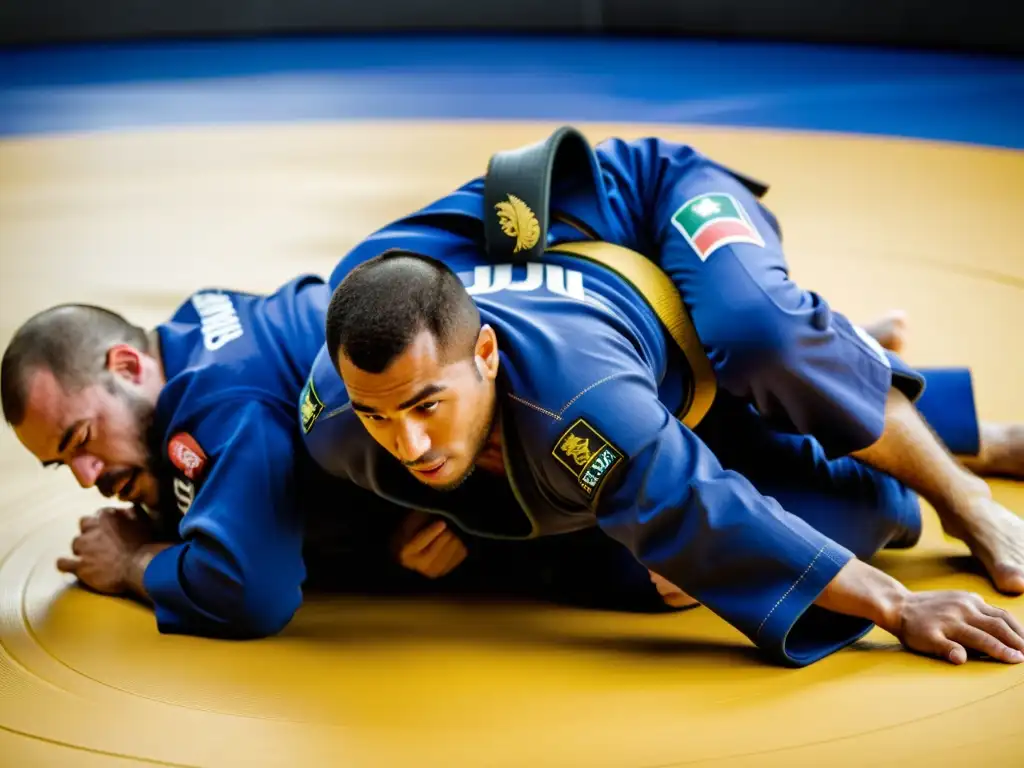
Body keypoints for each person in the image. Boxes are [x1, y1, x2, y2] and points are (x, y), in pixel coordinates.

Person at [299, 131, 1024, 667]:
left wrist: (899, 607)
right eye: (378, 416)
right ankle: (822, 361)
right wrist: (391, 534)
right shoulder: (339, 393)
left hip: (648, 208)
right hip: (629, 358)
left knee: (762, 336)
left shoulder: (576, 402)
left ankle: (963, 488)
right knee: (638, 567)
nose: (408, 443)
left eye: (426, 407)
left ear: (486, 356)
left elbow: (704, 511)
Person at [0, 275, 431, 640]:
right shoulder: (192, 329)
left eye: (82, 438)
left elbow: (250, 594)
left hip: (488, 484)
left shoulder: (222, 403)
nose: (84, 476)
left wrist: (128, 563)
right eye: (63, 462)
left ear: (129, 366)